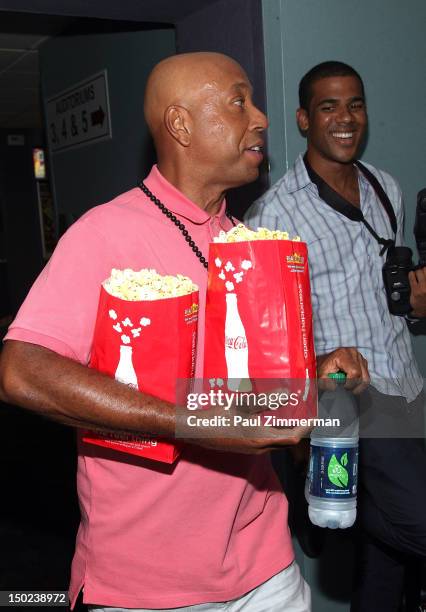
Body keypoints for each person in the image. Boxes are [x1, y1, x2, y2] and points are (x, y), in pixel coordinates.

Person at [0, 53, 369, 612]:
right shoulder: (103, 233)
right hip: (148, 587)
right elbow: (20, 372)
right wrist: (195, 421)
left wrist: (316, 370)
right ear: (181, 124)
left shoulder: (245, 239)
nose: (262, 118)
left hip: (266, 566)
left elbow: (248, 390)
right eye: (238, 101)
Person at [245, 60, 426, 612]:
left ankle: (341, 516)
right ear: (304, 119)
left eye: (355, 104)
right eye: (328, 106)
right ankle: (322, 507)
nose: (344, 118)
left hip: (407, 387)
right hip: (346, 403)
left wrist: (418, 307)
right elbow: (260, 344)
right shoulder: (272, 216)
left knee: (383, 567)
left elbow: (391, 301)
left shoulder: (385, 186)